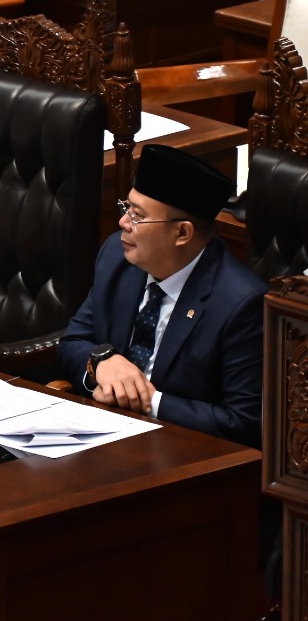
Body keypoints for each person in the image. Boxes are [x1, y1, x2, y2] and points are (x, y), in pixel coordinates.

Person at [58, 144, 265, 446]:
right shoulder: (118, 255)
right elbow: (72, 342)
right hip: (102, 434)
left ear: (182, 234)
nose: (123, 223)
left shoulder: (241, 303)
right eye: (126, 207)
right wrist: (102, 364)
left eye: (138, 216)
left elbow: (242, 422)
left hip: (184, 455)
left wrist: (146, 400)